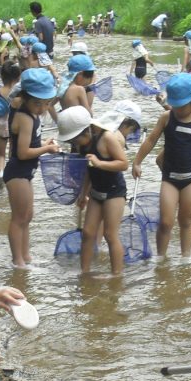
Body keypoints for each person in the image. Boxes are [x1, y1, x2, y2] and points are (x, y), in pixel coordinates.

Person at [131, 73, 191, 257]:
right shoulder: (166, 117)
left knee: (186, 220)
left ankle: (186, 257)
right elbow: (151, 139)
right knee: (166, 222)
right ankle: (161, 258)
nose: (176, 109)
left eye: (181, 106)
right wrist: (137, 162)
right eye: (174, 105)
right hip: (169, 180)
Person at [61, 107, 141, 277]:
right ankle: (85, 273)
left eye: (74, 139)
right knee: (88, 233)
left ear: (85, 131)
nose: (73, 144)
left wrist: (99, 163)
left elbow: (123, 164)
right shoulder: (82, 146)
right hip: (96, 192)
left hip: (114, 192)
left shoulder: (107, 138)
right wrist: (83, 194)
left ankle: (116, 276)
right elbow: (88, 171)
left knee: (110, 235)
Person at [4, 68, 61, 268]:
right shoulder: (25, 117)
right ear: (25, 97)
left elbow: (30, 143)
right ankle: (17, 260)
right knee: (19, 217)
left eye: (46, 103)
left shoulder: (33, 115)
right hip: (17, 172)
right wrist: (47, 148)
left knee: (27, 216)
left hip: (26, 172)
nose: (42, 108)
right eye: (37, 103)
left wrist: (44, 142)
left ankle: (26, 256)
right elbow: (22, 153)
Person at [0, 61, 22, 189]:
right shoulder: (19, 92)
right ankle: (11, 174)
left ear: (2, 76)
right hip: (15, 125)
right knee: (12, 152)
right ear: (18, 77)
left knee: (0, 154)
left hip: (1, 126)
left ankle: (0, 173)